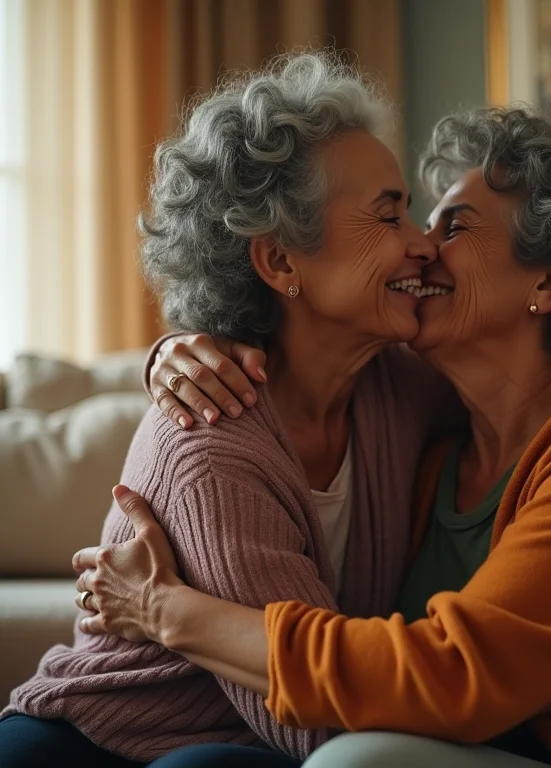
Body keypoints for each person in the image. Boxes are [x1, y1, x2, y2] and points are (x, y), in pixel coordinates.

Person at [67, 108, 551, 767]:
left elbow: (453, 675)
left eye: (453, 227)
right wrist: (173, 350)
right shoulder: (434, 436)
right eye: (404, 218)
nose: (421, 248)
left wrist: (166, 611)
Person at [0, 51, 467, 767]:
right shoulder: (209, 442)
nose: (423, 244)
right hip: (96, 747)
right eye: (389, 214)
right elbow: (314, 724)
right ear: (280, 263)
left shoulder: (398, 386)